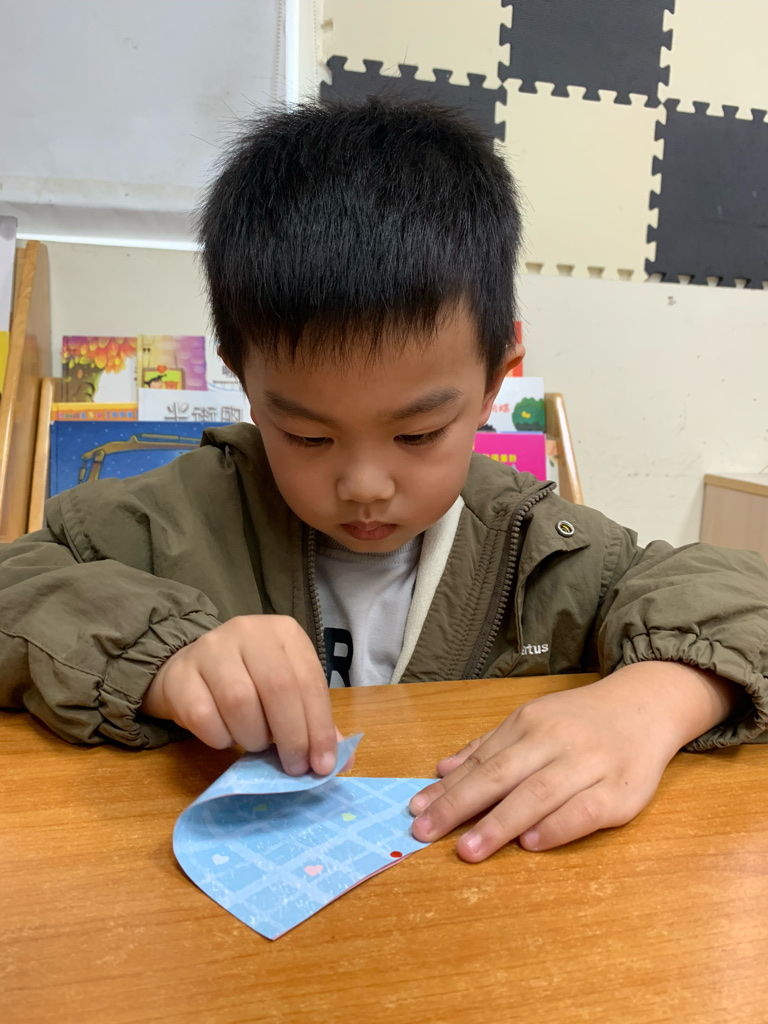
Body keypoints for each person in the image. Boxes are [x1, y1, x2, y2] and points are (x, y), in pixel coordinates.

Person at [1, 100, 766, 863]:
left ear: (496, 381)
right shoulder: (178, 516)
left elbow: (734, 595)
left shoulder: (541, 549)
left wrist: (655, 701)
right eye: (307, 436)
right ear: (243, 381)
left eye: (418, 434)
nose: (364, 485)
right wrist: (162, 656)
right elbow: (17, 584)